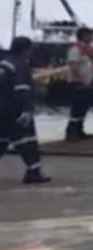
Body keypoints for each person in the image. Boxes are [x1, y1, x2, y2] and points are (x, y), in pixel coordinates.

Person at [0, 37, 51, 184]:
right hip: (14, 108)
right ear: (25, 50)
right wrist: (27, 110)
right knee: (27, 140)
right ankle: (33, 171)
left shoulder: (4, 62)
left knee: (2, 139)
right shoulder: (20, 65)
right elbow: (23, 90)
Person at [64, 27, 93, 141]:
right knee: (77, 108)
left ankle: (79, 130)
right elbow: (73, 66)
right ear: (83, 36)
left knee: (83, 108)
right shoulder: (75, 49)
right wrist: (80, 78)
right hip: (77, 83)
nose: (91, 38)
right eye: (89, 35)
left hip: (86, 83)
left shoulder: (87, 50)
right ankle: (71, 132)